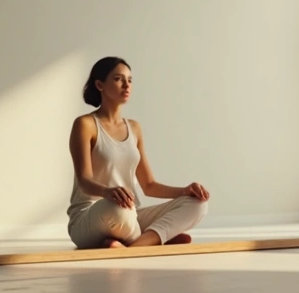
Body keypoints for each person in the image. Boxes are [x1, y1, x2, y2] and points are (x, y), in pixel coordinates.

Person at [67, 56, 210, 249]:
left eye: (130, 80)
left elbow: (149, 185)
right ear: (100, 85)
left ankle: (131, 244)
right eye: (118, 79)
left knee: (197, 205)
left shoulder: (134, 128)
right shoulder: (85, 125)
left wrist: (186, 191)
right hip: (92, 215)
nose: (126, 85)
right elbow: (84, 181)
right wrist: (107, 192)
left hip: (129, 215)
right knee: (118, 209)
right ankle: (154, 238)